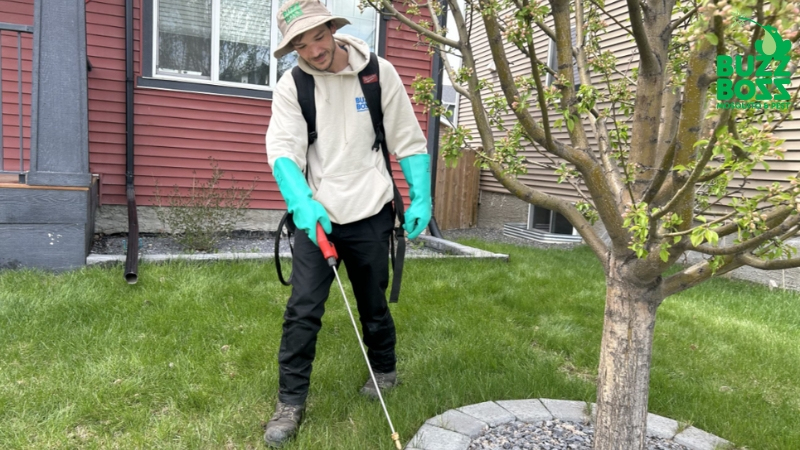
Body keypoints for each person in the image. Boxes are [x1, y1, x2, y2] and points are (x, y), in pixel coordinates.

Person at [263, 0, 431, 446]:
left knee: (372, 300)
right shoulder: (292, 85)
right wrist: (302, 202)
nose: (314, 50)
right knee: (303, 309)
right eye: (300, 43)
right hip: (317, 214)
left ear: (332, 29)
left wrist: (421, 196)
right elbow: (282, 150)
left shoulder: (377, 73)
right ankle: (290, 402)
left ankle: (384, 371)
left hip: (372, 208)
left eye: (318, 36)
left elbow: (408, 139)